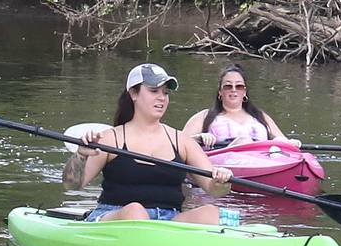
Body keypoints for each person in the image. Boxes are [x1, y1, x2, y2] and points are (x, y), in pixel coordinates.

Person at [63, 63, 233, 223]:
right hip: (118, 216)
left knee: (211, 213)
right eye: (154, 91)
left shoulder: (183, 141)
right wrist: (81, 155)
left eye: (165, 93)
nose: (162, 98)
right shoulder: (109, 139)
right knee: (136, 211)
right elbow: (72, 185)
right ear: (133, 94)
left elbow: (215, 190)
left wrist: (222, 181)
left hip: (168, 220)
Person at [180, 65, 298, 149]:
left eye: (239, 86)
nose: (234, 90)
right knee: (244, 140)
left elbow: (282, 141)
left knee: (279, 142)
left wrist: (290, 143)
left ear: (245, 92)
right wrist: (199, 137)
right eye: (228, 86)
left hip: (262, 161)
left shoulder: (260, 116)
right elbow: (179, 143)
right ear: (220, 92)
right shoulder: (205, 116)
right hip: (222, 164)